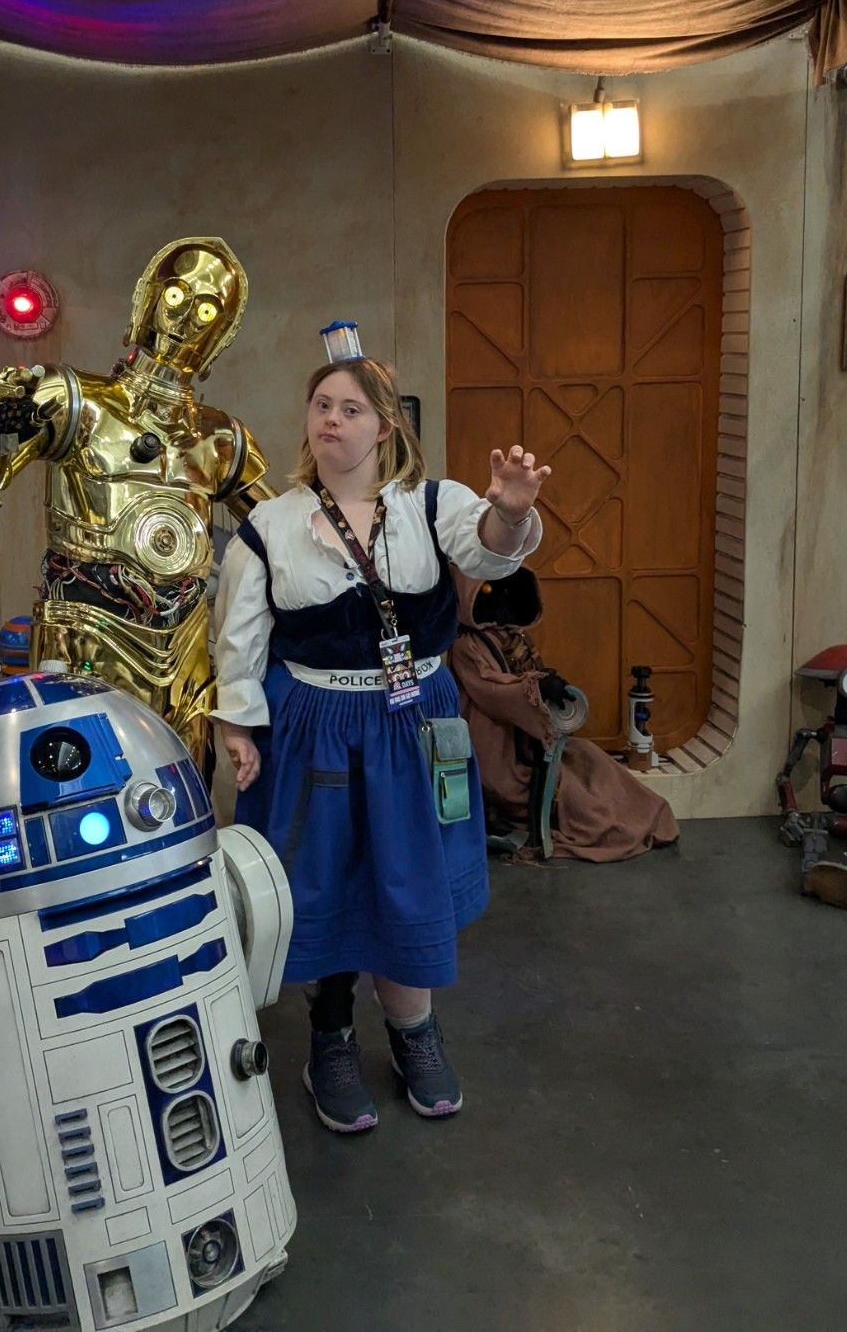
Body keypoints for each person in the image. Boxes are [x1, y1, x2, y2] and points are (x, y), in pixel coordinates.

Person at [213, 346, 547, 1133]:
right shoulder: (271, 523)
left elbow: (492, 547)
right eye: (321, 404)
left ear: (385, 424)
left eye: (350, 407)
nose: (331, 418)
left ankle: (412, 1031)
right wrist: (235, 723)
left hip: (412, 723)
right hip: (313, 727)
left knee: (407, 875)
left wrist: (509, 506)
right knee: (319, 879)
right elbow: (238, 639)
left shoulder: (433, 504)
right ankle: (328, 1037)